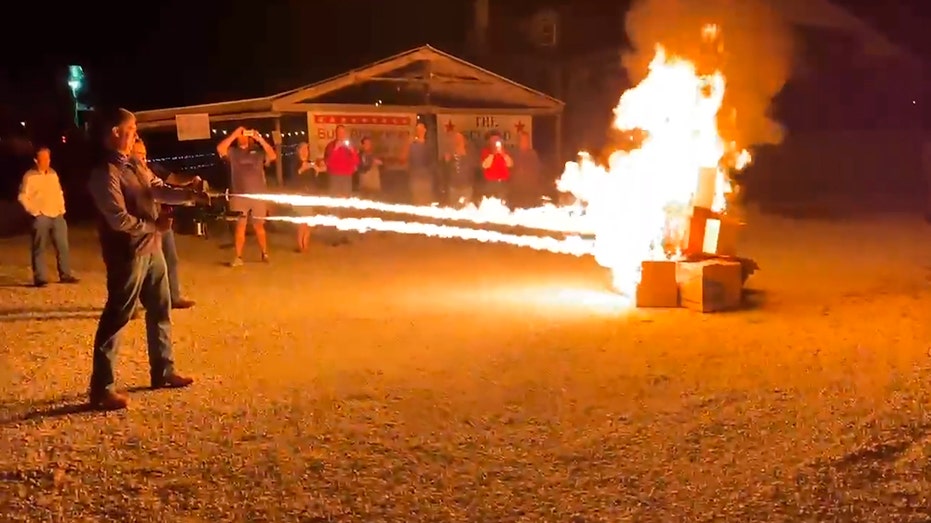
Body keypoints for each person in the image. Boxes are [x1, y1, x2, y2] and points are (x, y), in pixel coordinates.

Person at [86, 108, 206, 410]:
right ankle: (102, 388)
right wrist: (155, 227)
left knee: (161, 309)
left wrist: (190, 194)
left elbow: (158, 189)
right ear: (115, 132)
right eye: (131, 127)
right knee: (118, 316)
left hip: (151, 249)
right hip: (127, 254)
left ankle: (163, 371)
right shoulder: (104, 173)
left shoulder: (135, 164)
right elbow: (118, 219)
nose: (136, 132)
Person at [130, 139, 199, 309]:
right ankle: (130, 306)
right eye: (139, 155)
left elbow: (165, 188)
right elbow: (155, 193)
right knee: (137, 267)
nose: (143, 158)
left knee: (169, 259)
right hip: (142, 224)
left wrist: (190, 194)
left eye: (144, 154)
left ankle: (171, 298)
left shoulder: (150, 171)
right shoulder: (126, 175)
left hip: (159, 220)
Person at [17, 146, 79, 287]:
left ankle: (65, 274)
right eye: (43, 159)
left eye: (48, 158)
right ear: (36, 160)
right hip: (41, 216)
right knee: (39, 247)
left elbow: (59, 192)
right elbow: (22, 196)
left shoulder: (53, 174)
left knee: (63, 246)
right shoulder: (29, 176)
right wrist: (34, 211)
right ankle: (40, 277)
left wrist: (61, 209)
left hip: (57, 214)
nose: (47, 161)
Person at [216, 126, 277, 266]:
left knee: (259, 227)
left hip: (258, 196)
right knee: (240, 227)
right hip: (239, 196)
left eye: (245, 135)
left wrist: (260, 139)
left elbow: (272, 156)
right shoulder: (233, 152)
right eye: (241, 135)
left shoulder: (257, 152)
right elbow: (220, 149)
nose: (243, 137)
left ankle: (264, 253)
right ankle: (238, 257)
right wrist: (234, 134)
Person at [402, 122, 436, 204]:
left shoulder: (429, 145)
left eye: (421, 129)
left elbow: (433, 161)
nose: (420, 131)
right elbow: (404, 158)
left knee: (426, 200)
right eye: (418, 130)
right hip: (415, 177)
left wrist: (430, 174)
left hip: (426, 178)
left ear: (425, 130)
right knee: (417, 200)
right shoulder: (412, 145)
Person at [508, 131, 542, 209]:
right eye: (522, 140)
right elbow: (510, 168)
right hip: (516, 189)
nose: (525, 142)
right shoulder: (513, 153)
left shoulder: (532, 154)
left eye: (526, 140)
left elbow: (537, 169)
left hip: (530, 189)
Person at [293, 142, 318, 252]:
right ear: (298, 151)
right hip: (299, 196)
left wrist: (317, 169)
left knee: (309, 222)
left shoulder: (310, 164)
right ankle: (300, 245)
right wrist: (302, 169)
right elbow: (292, 178)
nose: (305, 151)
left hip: (309, 196)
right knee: (302, 222)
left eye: (307, 149)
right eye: (303, 149)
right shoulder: (295, 164)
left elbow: (314, 178)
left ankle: (305, 243)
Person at [323, 125, 359, 197]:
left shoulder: (349, 146)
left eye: (342, 132)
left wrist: (352, 152)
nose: (341, 134)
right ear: (336, 133)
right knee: (335, 199)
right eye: (339, 132)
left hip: (346, 177)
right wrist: (335, 149)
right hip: (334, 176)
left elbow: (356, 162)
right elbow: (327, 162)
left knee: (346, 199)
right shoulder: (331, 145)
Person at [442, 132, 477, 207]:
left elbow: (473, 165)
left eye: (459, 139)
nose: (457, 141)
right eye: (456, 139)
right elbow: (445, 170)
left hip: (467, 187)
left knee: (466, 208)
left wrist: (464, 155)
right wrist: (447, 161)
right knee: (454, 208)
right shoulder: (450, 153)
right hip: (453, 187)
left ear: (464, 141)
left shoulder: (469, 152)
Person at [480, 131, 513, 201]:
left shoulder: (505, 152)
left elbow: (510, 164)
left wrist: (503, 154)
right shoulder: (486, 151)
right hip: (490, 184)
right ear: (489, 141)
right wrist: (493, 153)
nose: (495, 142)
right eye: (493, 140)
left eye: (497, 139)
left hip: (503, 184)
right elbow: (485, 165)